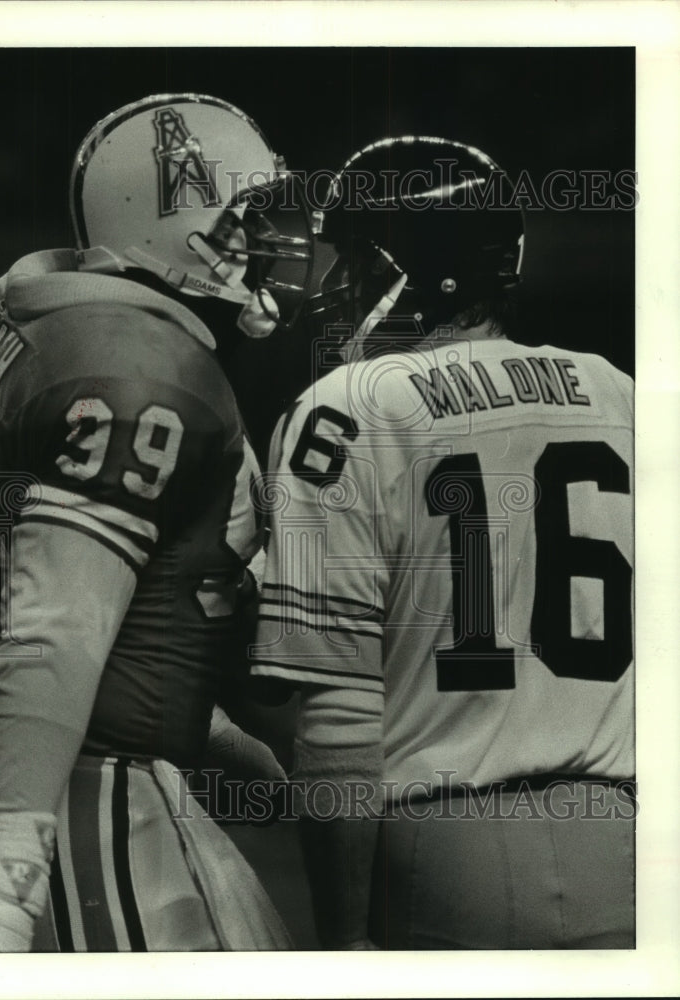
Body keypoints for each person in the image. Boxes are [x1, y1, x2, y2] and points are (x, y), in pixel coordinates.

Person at [0, 93, 313, 952]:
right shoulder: (144, 366)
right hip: (79, 791)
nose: (277, 246)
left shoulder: (46, 309)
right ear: (166, 224)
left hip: (15, 748)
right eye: (246, 221)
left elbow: (110, 605)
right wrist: (3, 891)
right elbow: (58, 634)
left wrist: (208, 731)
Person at [251, 136, 635, 949]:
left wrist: (342, 938)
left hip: (440, 849)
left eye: (354, 259)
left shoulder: (349, 406)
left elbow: (340, 722)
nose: (334, 286)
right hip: (625, 839)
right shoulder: (622, 392)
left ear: (416, 272)